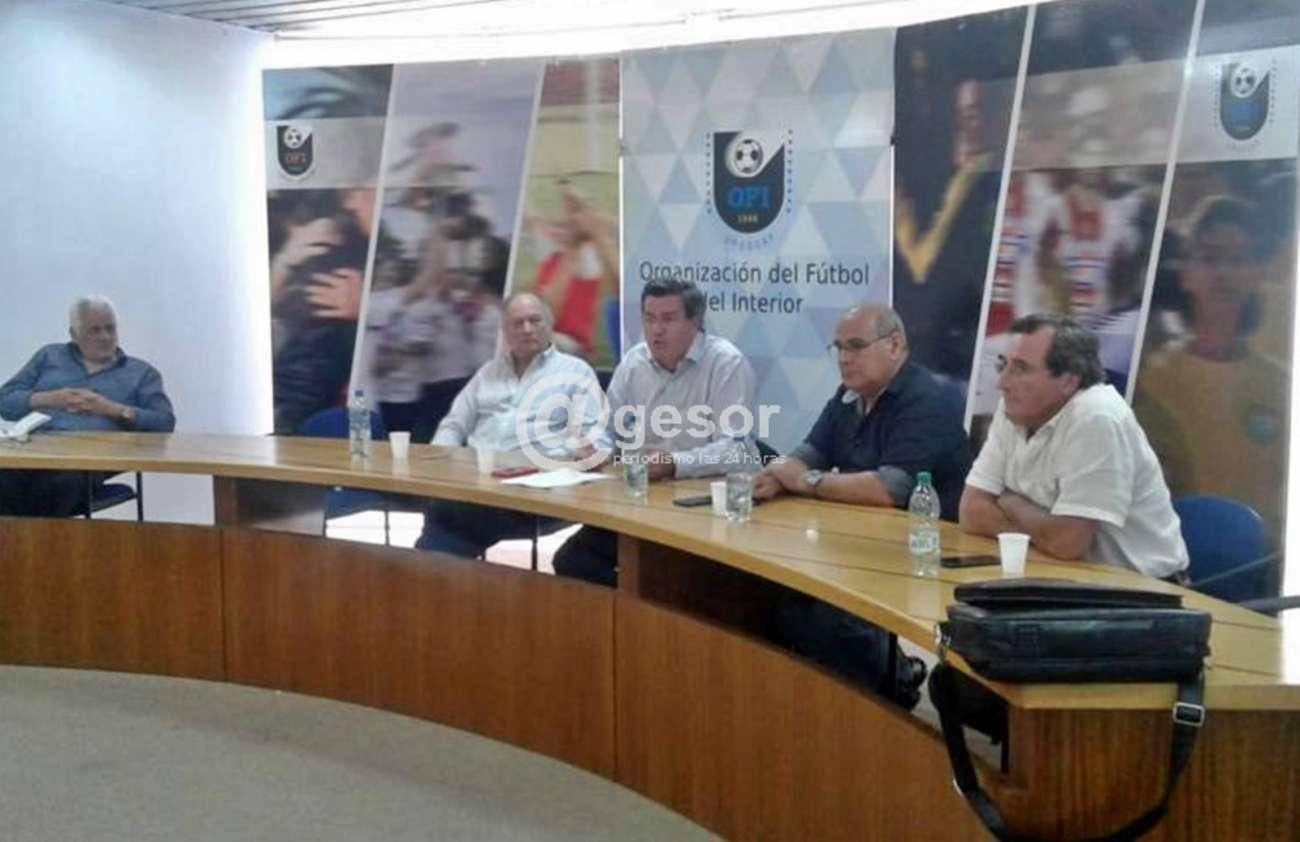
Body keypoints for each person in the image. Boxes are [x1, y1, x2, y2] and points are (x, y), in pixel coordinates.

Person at [752, 304, 970, 709]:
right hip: (864, 541)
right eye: (838, 348)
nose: (844, 358)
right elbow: (808, 452)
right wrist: (779, 476)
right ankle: (856, 688)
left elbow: (889, 489)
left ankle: (890, 688)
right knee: (774, 593)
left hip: (927, 553)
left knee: (814, 612)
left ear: (895, 345)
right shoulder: (848, 396)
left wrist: (806, 481)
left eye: (855, 346)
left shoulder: (927, 400)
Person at [551, 278, 757, 587]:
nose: (656, 330)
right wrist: (595, 447)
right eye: (649, 319)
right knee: (573, 561)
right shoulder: (634, 362)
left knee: (666, 582)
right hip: (644, 500)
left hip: (703, 507)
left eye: (668, 319)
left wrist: (674, 463)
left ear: (695, 321)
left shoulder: (726, 363)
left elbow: (737, 450)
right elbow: (608, 427)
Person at [960, 313, 1188, 580]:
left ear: (1068, 380)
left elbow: (1067, 542)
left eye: (1021, 369)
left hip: (1141, 588)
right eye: (1003, 366)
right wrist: (1044, 532)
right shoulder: (1014, 408)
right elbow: (971, 511)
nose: (1002, 383)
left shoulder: (1097, 417)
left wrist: (1012, 503)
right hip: (1061, 571)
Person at [1132, 196, 1287, 536]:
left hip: (1262, 561)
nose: (1223, 272)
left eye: (1237, 260)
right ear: (1186, 273)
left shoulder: (1282, 386)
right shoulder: (1151, 378)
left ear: (1257, 273)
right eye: (1210, 258)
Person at [415, 292, 601, 558]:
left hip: (536, 491)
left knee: (447, 517)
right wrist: (439, 460)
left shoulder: (576, 372)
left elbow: (593, 435)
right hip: (476, 482)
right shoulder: (487, 373)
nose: (527, 329)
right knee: (446, 511)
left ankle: (436, 570)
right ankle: (441, 570)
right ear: (505, 331)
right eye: (518, 323)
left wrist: (585, 450)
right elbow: (453, 425)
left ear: (549, 324)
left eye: (534, 320)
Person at [0, 296, 176, 517]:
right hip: (35, 453)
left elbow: (164, 423)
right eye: (94, 330)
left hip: (91, 461)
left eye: (110, 328)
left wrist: (111, 409)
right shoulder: (49, 357)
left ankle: (30, 537)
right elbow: (5, 401)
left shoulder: (140, 373)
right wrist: (49, 398)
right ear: (74, 334)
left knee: (57, 486)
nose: (105, 337)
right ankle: (21, 537)